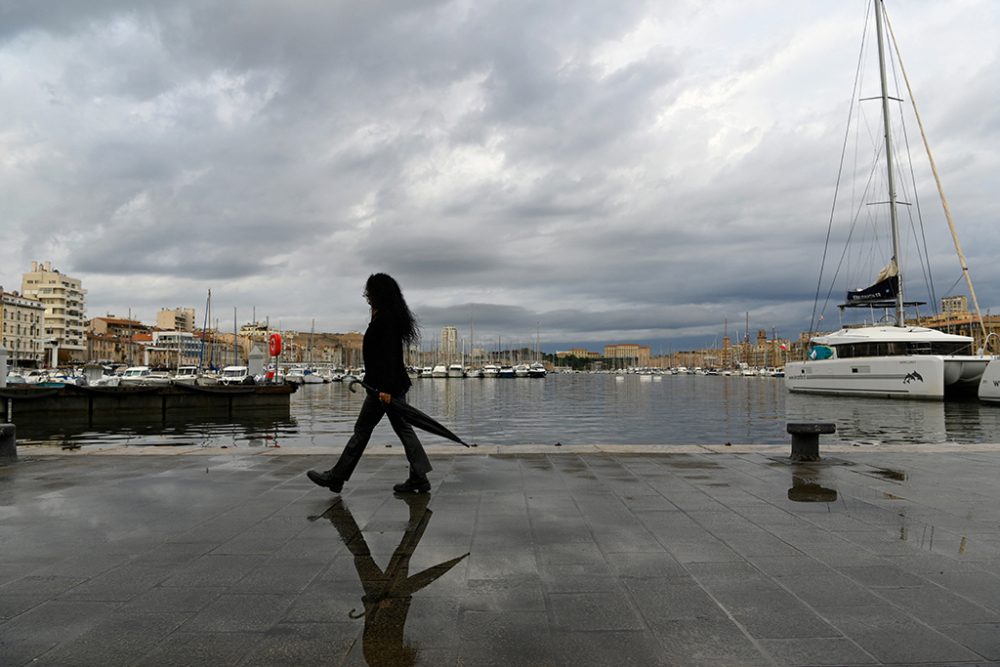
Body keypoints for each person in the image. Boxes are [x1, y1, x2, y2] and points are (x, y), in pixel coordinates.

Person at [307, 273, 432, 494]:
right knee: (400, 429)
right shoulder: (387, 317)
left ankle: (336, 477)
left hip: (383, 388)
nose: (366, 297)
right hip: (385, 386)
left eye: (369, 293)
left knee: (364, 430)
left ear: (378, 294)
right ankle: (418, 477)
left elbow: (388, 359)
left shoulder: (385, 321)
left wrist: (384, 390)